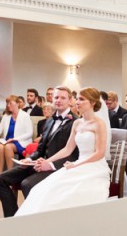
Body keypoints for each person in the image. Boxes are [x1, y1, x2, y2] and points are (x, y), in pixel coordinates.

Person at [16, 87, 109, 215]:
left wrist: (76, 165)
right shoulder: (77, 123)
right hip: (75, 165)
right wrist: (46, 161)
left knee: (68, 192)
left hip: (93, 166)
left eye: (82, 99)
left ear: (92, 103)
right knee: (43, 188)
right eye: (77, 99)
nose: (77, 102)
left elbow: (99, 153)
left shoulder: (99, 124)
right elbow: (67, 149)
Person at [0, 86, 78, 218]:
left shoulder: (75, 122)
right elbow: (40, 149)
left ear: (70, 100)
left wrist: (50, 164)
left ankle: (35, 220)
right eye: (56, 97)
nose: (58, 100)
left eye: (63, 97)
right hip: (39, 163)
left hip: (58, 167)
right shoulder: (48, 121)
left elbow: (73, 154)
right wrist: (30, 159)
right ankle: (13, 217)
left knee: (27, 184)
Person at [0, 95, 33, 174]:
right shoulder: (6, 116)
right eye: (7, 103)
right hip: (8, 141)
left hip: (21, 141)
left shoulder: (25, 115)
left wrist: (14, 139)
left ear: (17, 103)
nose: (8, 105)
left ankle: (9, 173)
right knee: (0, 147)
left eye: (10, 103)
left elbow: (29, 133)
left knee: (8, 147)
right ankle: (0, 174)